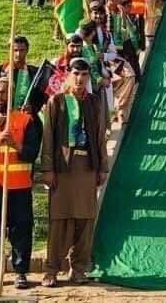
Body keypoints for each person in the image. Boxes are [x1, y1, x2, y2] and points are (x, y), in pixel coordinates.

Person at [40, 58, 109, 287]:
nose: (80, 79)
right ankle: (52, 269)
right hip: (62, 168)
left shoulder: (94, 102)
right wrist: (47, 168)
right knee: (59, 219)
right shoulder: (57, 101)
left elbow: (100, 135)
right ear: (68, 74)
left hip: (87, 166)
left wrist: (103, 167)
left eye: (84, 75)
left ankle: (79, 268)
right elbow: (48, 137)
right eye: (76, 74)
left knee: (85, 219)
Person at [0, 77, 42, 289]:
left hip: (19, 184)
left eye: (4, 92)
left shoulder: (25, 120)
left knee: (21, 229)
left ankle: (20, 272)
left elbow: (32, 153)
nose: (0, 97)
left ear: (12, 94)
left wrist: (15, 144)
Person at [0, 35, 42, 115]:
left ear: (27, 51)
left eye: (22, 50)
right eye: (15, 50)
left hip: (25, 117)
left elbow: (39, 99)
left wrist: (32, 108)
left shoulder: (34, 72)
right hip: (3, 117)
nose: (18, 54)